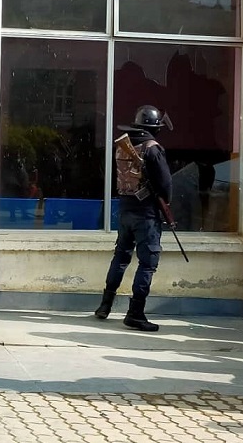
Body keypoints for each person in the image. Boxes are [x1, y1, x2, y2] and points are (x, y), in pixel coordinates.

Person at [93, 105, 173, 332]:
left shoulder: (123, 148)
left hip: (125, 211)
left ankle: (105, 305)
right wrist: (165, 203)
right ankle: (135, 313)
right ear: (154, 128)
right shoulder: (152, 149)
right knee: (147, 264)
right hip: (146, 215)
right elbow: (166, 184)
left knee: (121, 257)